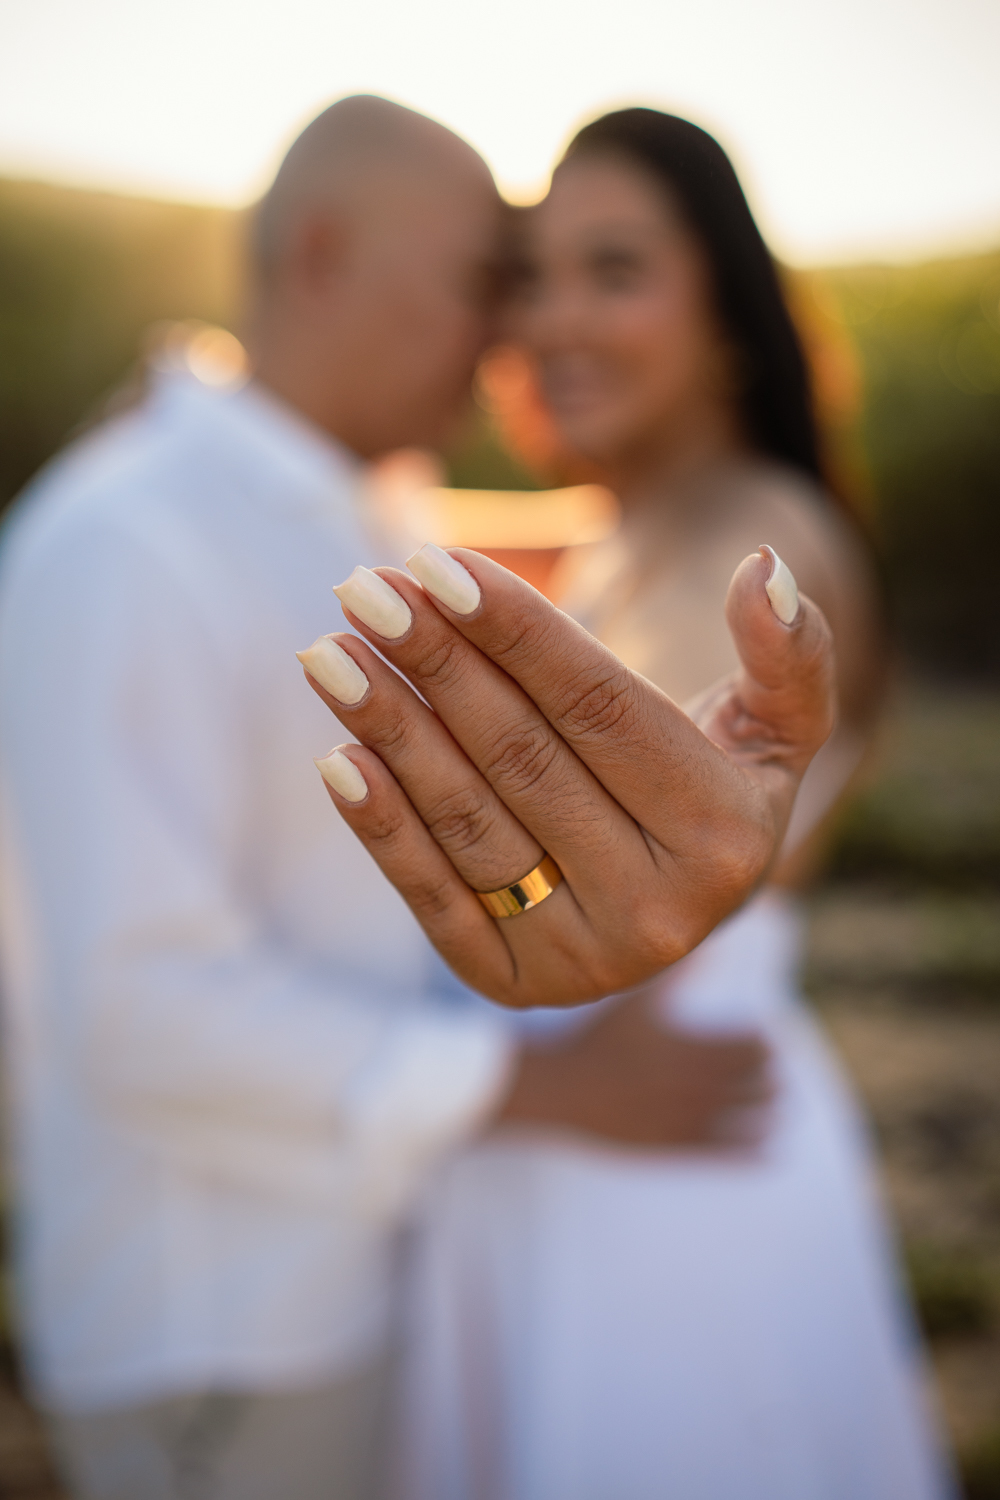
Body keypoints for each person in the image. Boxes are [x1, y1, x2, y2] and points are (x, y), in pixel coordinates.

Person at [0, 97, 832, 1500]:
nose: (511, 336)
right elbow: (136, 1008)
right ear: (325, 253)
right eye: (485, 282)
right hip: (224, 1323)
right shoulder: (124, 542)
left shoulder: (360, 502)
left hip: (366, 1278)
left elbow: (617, 546)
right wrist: (541, 1086)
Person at [303, 110, 953, 1498]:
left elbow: (677, 765)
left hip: (671, 1153)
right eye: (529, 280)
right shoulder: (634, 514)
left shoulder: (755, 538)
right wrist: (229, 422)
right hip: (571, 1117)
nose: (552, 323)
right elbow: (400, 527)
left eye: (615, 271)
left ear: (728, 316)